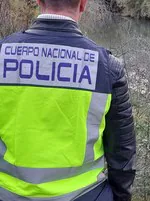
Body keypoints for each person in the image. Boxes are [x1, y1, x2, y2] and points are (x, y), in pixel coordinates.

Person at [0, 1, 136, 201]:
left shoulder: (3, 53)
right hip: (86, 195)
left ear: (39, 1)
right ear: (83, 4)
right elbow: (122, 152)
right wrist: (120, 196)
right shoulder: (107, 68)